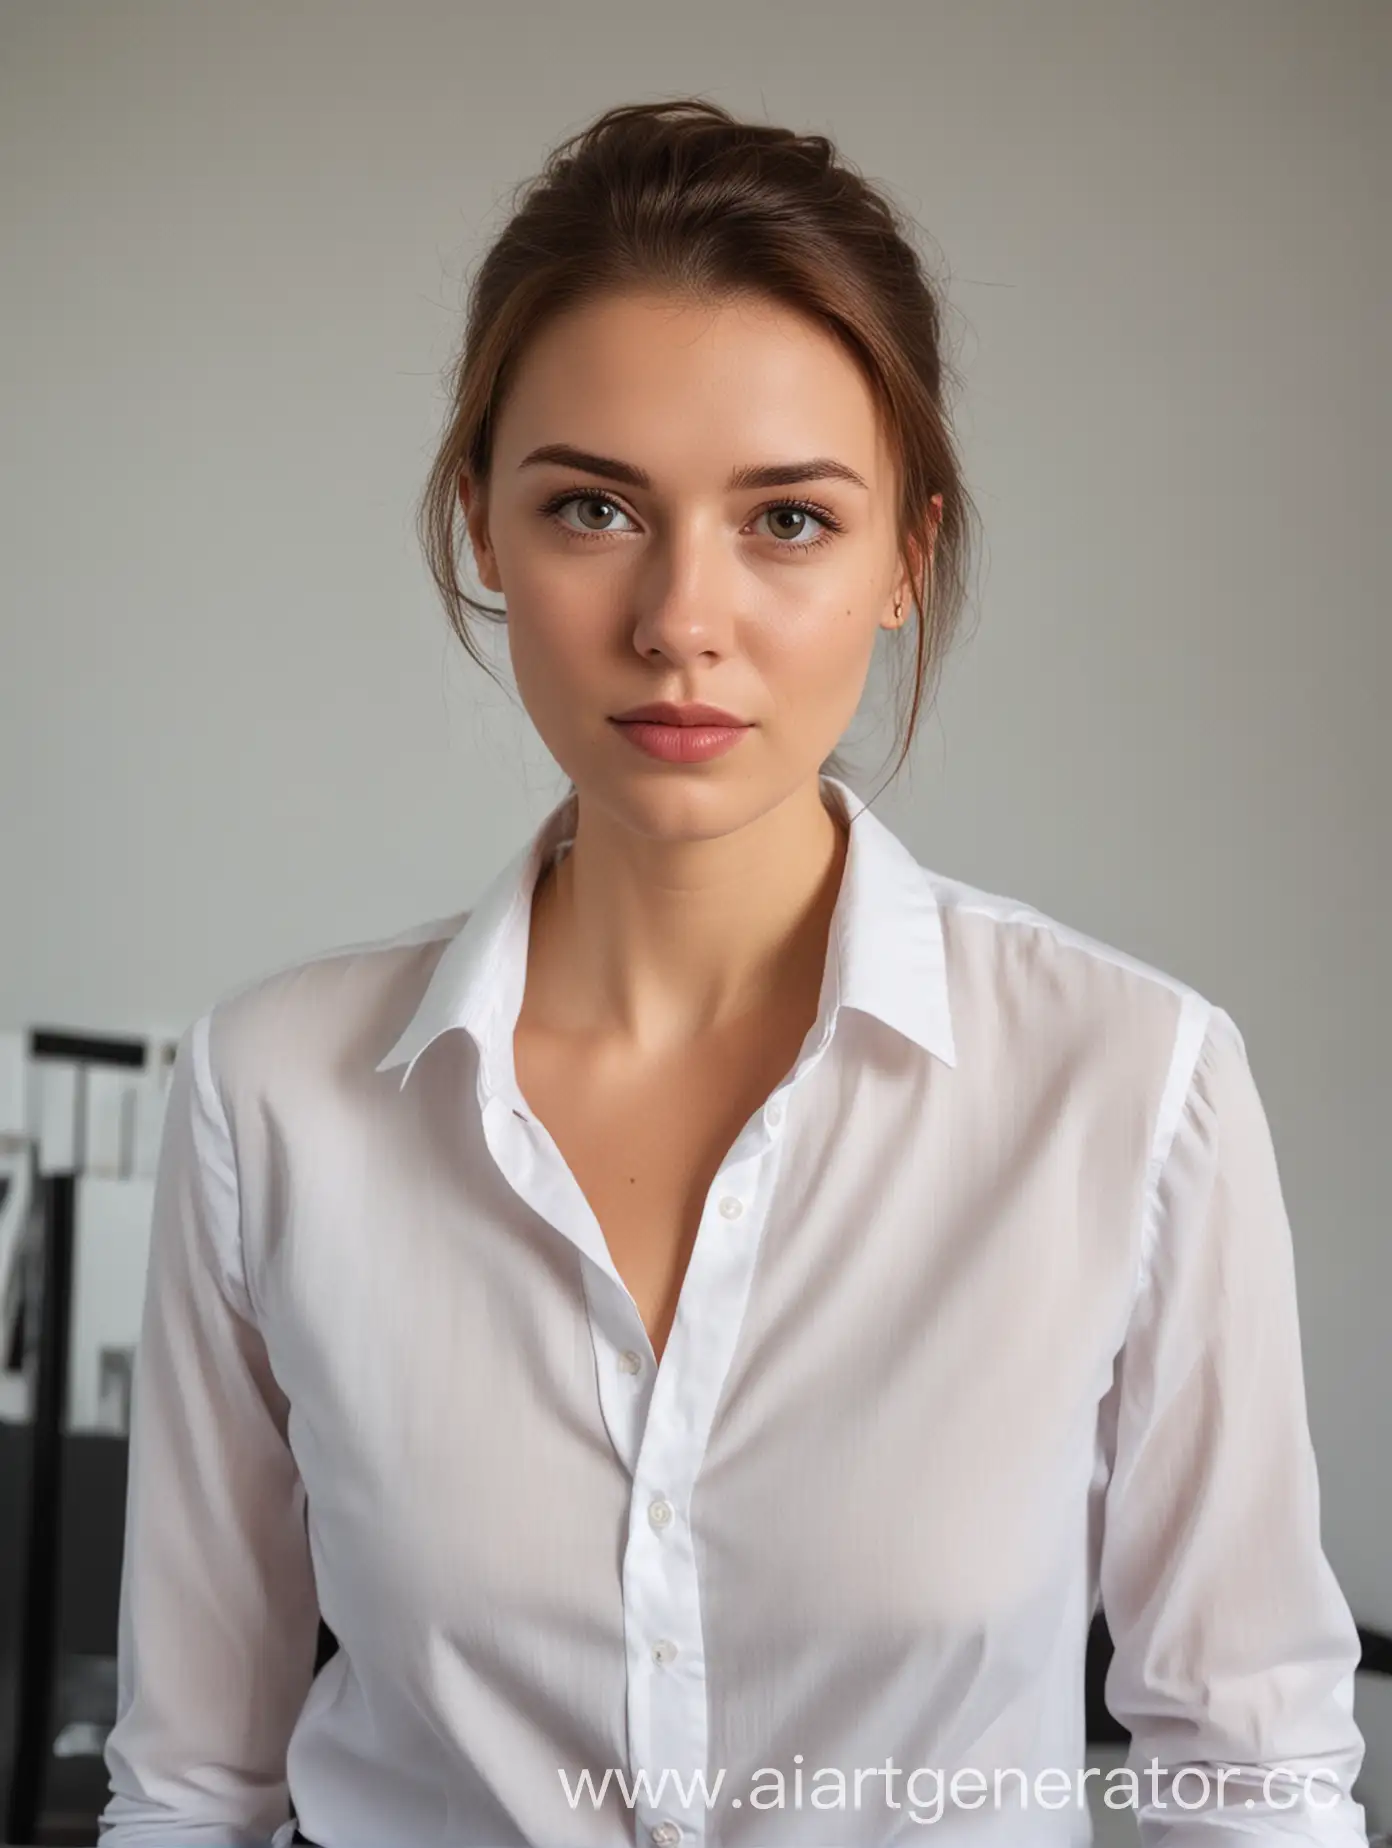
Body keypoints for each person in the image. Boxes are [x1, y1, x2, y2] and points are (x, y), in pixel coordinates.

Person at [99, 98, 1369, 1848]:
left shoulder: (1134, 1087)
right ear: (482, 524)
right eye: (596, 506)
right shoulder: (275, 1097)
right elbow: (190, 1793)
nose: (680, 618)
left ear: (906, 555)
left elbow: (1256, 1785)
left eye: (787, 521)